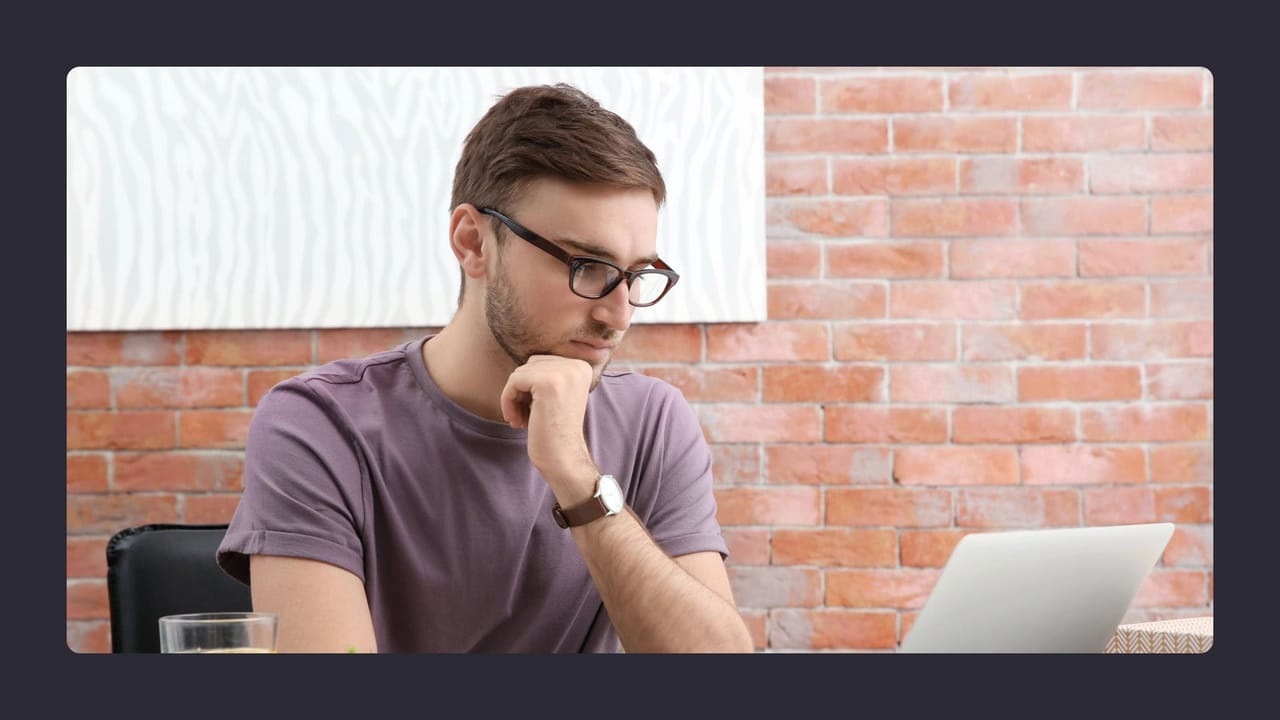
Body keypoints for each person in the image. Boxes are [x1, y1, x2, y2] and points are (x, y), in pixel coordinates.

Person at [216, 82, 754, 653]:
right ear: (473, 242)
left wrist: (577, 477)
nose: (618, 314)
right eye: (587, 265)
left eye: (636, 274)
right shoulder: (319, 425)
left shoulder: (653, 423)